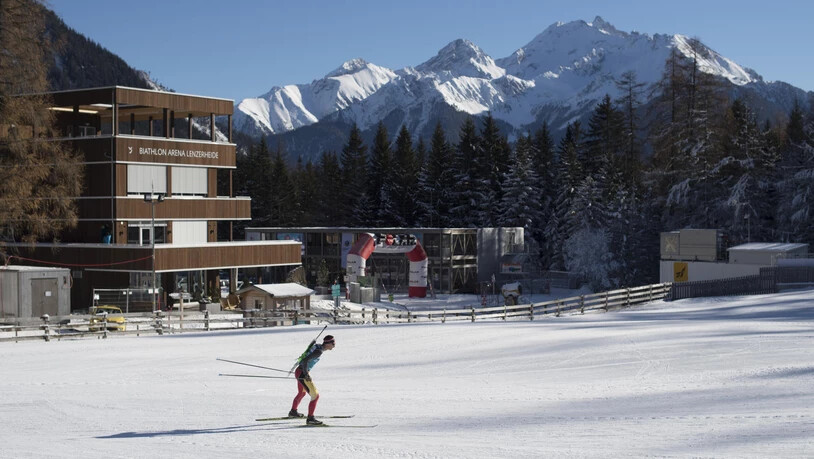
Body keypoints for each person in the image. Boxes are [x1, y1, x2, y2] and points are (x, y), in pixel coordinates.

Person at [289, 335, 336, 425]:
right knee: (315, 396)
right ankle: (310, 418)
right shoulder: (318, 351)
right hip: (302, 374)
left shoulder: (318, 347)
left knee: (302, 393)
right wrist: (306, 374)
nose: (334, 345)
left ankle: (293, 412)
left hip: (300, 372)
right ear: (328, 343)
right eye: (333, 343)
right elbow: (306, 360)